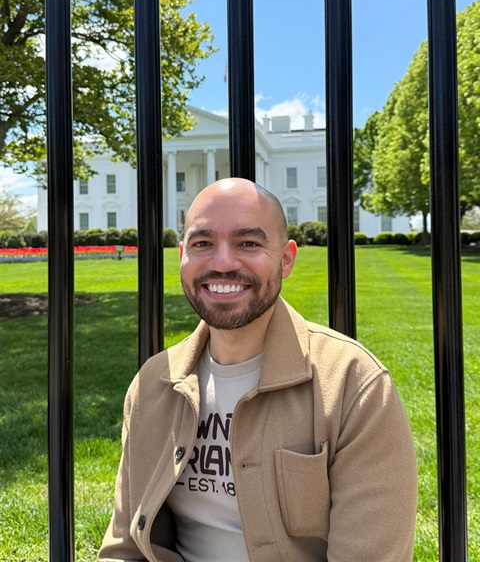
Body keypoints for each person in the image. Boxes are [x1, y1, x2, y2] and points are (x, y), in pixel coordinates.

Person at [99, 178, 417, 562]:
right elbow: (124, 548)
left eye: (248, 243)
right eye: (202, 244)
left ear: (286, 259)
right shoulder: (153, 384)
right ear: (182, 255)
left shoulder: (352, 384)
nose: (222, 262)